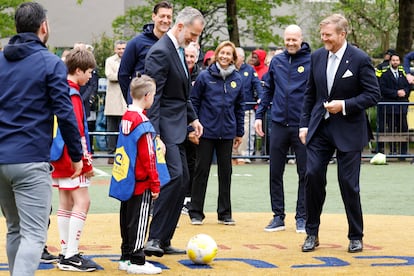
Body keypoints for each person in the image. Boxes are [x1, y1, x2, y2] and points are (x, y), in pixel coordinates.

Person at [0, 2, 83, 275]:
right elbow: (65, 113)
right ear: (43, 27)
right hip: (31, 157)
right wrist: (76, 155)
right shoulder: (50, 63)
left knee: (15, 229)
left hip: (2, 157)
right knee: (34, 235)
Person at [299, 14, 380, 253]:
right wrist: (304, 125)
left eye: (328, 35)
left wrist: (343, 105)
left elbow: (372, 95)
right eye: (322, 35)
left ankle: (356, 235)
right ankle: (311, 233)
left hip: (349, 129)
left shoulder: (360, 59)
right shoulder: (316, 57)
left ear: (342, 34)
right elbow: (309, 94)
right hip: (320, 128)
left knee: (348, 183)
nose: (324, 39)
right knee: (312, 176)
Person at [143, 6, 205, 257]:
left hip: (178, 125)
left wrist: (194, 117)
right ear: (179, 27)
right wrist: (155, 135)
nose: (194, 39)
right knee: (174, 178)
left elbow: (180, 93)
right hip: (165, 129)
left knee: (182, 180)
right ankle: (154, 238)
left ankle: (164, 238)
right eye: (192, 33)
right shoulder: (160, 52)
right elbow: (153, 97)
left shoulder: (177, 51)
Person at [255, 25, 311, 234]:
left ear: (301, 39)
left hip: (301, 126)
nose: (290, 43)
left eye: (294, 39)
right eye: (287, 39)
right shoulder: (277, 61)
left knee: (305, 172)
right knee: (275, 172)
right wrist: (259, 115)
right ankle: (278, 216)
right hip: (278, 124)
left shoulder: (311, 61)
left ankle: (302, 217)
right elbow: (268, 89)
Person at [50, 48, 98, 272]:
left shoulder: (58, 90)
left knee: (65, 203)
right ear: (78, 70)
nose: (90, 76)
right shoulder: (73, 94)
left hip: (57, 154)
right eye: (88, 71)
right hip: (71, 155)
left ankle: (64, 251)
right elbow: (77, 130)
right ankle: (71, 254)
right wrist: (85, 162)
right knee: (82, 201)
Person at [188, 41, 244, 226]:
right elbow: (194, 102)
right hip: (206, 131)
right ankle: (196, 212)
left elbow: (239, 107)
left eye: (229, 54)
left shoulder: (238, 78)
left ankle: (225, 213)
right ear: (217, 54)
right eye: (222, 53)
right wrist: (193, 127)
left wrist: (239, 132)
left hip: (227, 133)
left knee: (226, 172)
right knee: (201, 171)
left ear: (233, 57)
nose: (225, 56)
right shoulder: (205, 76)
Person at [112, 74, 162, 274]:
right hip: (141, 181)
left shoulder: (127, 116)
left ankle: (126, 257)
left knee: (127, 218)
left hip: (127, 179)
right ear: (148, 96)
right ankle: (137, 260)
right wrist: (155, 183)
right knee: (140, 221)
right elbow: (149, 156)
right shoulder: (142, 122)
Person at [118, 1, 173, 104]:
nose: (165, 20)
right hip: (142, 104)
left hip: (165, 106)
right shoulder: (136, 43)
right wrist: (132, 101)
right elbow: (123, 75)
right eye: (162, 16)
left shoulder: (174, 43)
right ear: (154, 16)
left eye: (169, 17)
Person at [234, 47, 263, 164]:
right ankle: (232, 156)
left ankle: (244, 156)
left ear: (241, 58)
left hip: (246, 108)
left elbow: (257, 84)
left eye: (237, 56)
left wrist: (261, 97)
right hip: (231, 108)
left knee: (247, 133)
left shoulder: (249, 70)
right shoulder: (230, 69)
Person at [182, 42, 202, 215]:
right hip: (177, 124)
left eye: (192, 56)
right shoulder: (176, 73)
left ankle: (189, 199)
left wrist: (195, 125)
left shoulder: (201, 76)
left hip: (195, 124)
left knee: (192, 163)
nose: (189, 59)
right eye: (186, 56)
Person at [378, 53, 411, 156]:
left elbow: (408, 86)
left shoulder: (403, 74)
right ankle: (393, 151)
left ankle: (403, 152)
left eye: (397, 60)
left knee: (403, 128)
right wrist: (396, 93)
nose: (395, 62)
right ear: (390, 62)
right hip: (390, 107)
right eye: (393, 60)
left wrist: (405, 92)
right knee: (391, 128)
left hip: (402, 107)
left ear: (399, 62)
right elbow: (382, 89)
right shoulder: (385, 75)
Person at [104, 40, 128, 164]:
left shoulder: (130, 59)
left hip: (125, 100)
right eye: (119, 48)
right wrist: (124, 75)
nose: (121, 51)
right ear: (115, 49)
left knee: (124, 129)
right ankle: (110, 154)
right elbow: (110, 75)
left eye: (123, 48)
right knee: (111, 129)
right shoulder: (109, 61)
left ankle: (123, 154)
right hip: (113, 101)